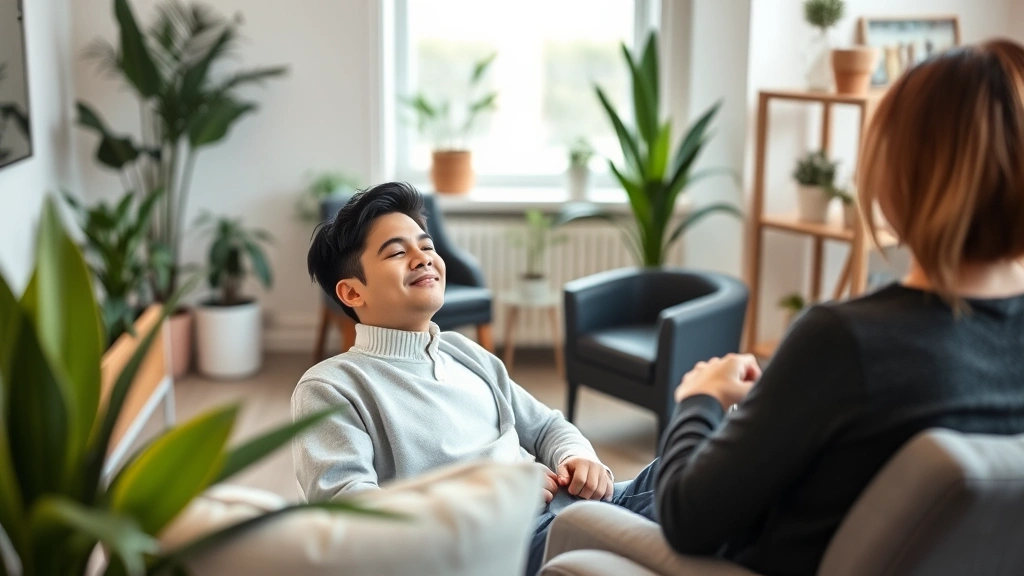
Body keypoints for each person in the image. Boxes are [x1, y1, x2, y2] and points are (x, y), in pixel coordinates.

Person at [655, 39, 1024, 576]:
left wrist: (701, 398)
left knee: (563, 514)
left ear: (902, 170)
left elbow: (686, 517)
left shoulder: (845, 341)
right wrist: (781, 402)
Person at [293, 182, 656, 576]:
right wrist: (496, 496)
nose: (422, 258)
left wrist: (578, 457)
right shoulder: (331, 387)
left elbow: (548, 426)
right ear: (351, 292)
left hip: (570, 508)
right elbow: (353, 516)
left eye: (427, 246)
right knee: (691, 497)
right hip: (502, 550)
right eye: (398, 252)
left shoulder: (465, 352)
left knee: (682, 468)